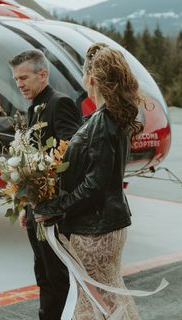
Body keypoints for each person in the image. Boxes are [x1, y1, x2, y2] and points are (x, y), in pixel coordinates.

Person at [35, 42, 142, 320]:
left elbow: (95, 185)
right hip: (106, 224)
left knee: (97, 301)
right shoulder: (109, 118)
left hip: (96, 228)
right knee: (107, 297)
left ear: (90, 78)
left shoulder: (102, 122)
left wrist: (55, 207)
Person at [9, 49, 82, 320]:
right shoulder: (34, 108)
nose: (19, 84)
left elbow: (70, 156)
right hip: (36, 210)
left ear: (43, 74)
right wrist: (25, 203)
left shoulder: (59, 103)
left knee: (56, 277)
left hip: (54, 212)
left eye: (24, 77)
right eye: (16, 79)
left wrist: (49, 202)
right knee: (43, 273)